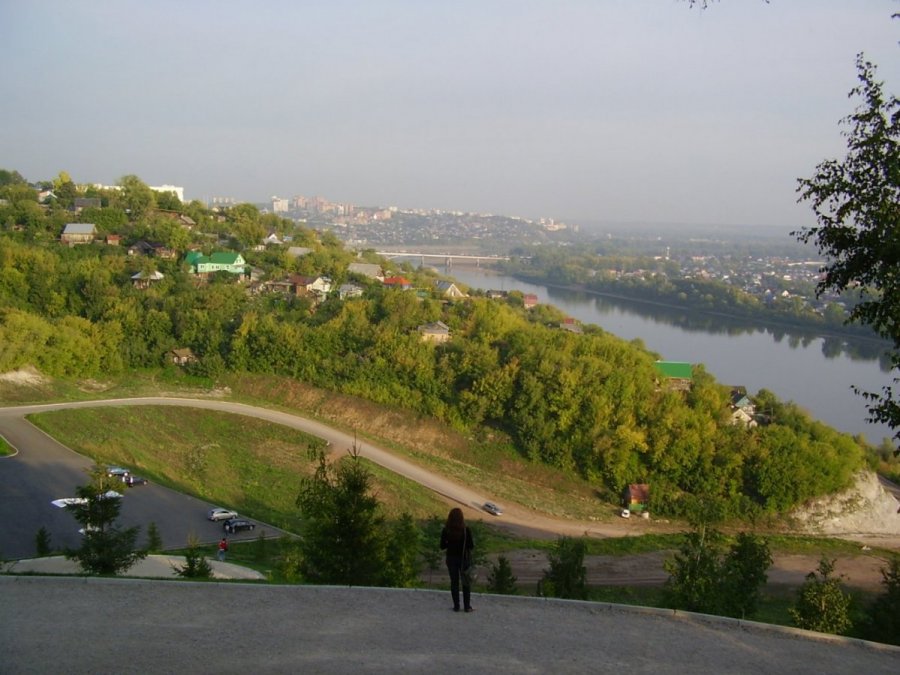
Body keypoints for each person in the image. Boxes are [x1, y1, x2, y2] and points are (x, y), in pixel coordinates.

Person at [440, 507, 474, 612]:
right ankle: (467, 606)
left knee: (454, 583)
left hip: (451, 559)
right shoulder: (465, 530)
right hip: (464, 559)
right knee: (465, 583)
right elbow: (471, 545)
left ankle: (456, 606)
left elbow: (442, 546)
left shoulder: (446, 530)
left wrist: (448, 543)